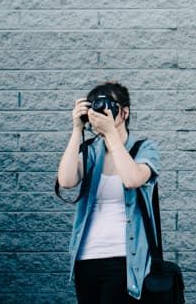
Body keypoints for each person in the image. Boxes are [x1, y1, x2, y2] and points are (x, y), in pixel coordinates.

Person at [57, 82, 160, 303]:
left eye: (107, 105)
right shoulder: (91, 151)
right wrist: (77, 130)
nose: (101, 112)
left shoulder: (144, 148)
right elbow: (65, 181)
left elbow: (132, 179)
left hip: (126, 259)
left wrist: (110, 134)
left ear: (124, 112)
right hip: (87, 257)